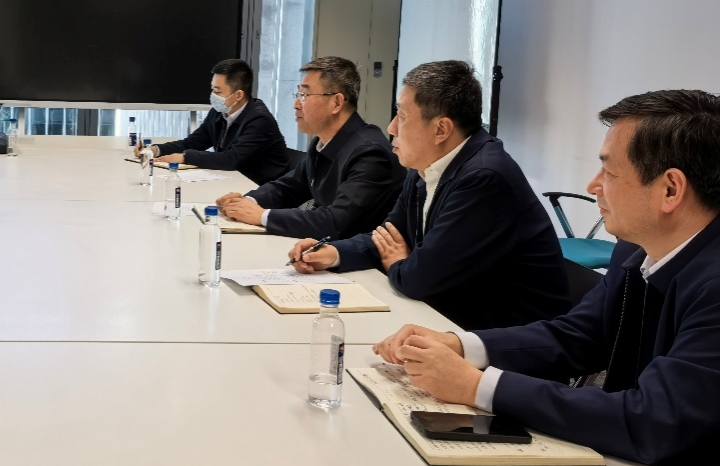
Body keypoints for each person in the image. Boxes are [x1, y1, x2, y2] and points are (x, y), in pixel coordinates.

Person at [374, 90, 720, 466]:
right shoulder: (640, 244)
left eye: (609, 171)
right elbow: (579, 335)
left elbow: (651, 420)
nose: (593, 185)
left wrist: (476, 386)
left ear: (670, 189)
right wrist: (461, 345)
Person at [289, 60, 568, 330]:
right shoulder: (425, 165)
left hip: (506, 337)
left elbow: (417, 279)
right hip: (448, 314)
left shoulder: (483, 178)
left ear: (441, 129)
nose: (391, 128)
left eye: (402, 116)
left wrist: (398, 263)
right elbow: (388, 236)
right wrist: (333, 253)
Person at [216, 57, 404, 239]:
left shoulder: (370, 153)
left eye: (304, 95)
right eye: (297, 94)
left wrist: (262, 216)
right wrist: (247, 201)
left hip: (356, 256)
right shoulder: (322, 142)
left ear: (336, 103)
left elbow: (336, 223)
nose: (296, 105)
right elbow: (289, 188)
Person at [135, 59, 289, 186]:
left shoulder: (260, 121)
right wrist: (155, 150)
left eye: (218, 91)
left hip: (261, 189)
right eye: (212, 89)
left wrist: (185, 157)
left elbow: (232, 159)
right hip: (233, 181)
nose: (212, 95)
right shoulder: (218, 112)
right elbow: (193, 142)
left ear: (238, 95)